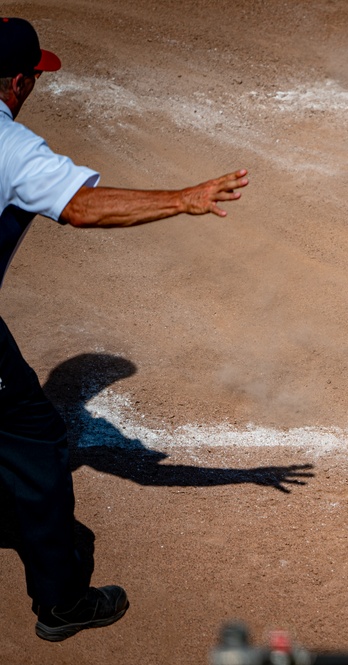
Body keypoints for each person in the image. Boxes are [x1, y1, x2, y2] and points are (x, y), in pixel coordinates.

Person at [1, 17, 249, 641]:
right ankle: (63, 603)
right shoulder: (7, 145)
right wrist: (183, 198)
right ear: (21, 81)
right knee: (36, 448)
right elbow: (81, 207)